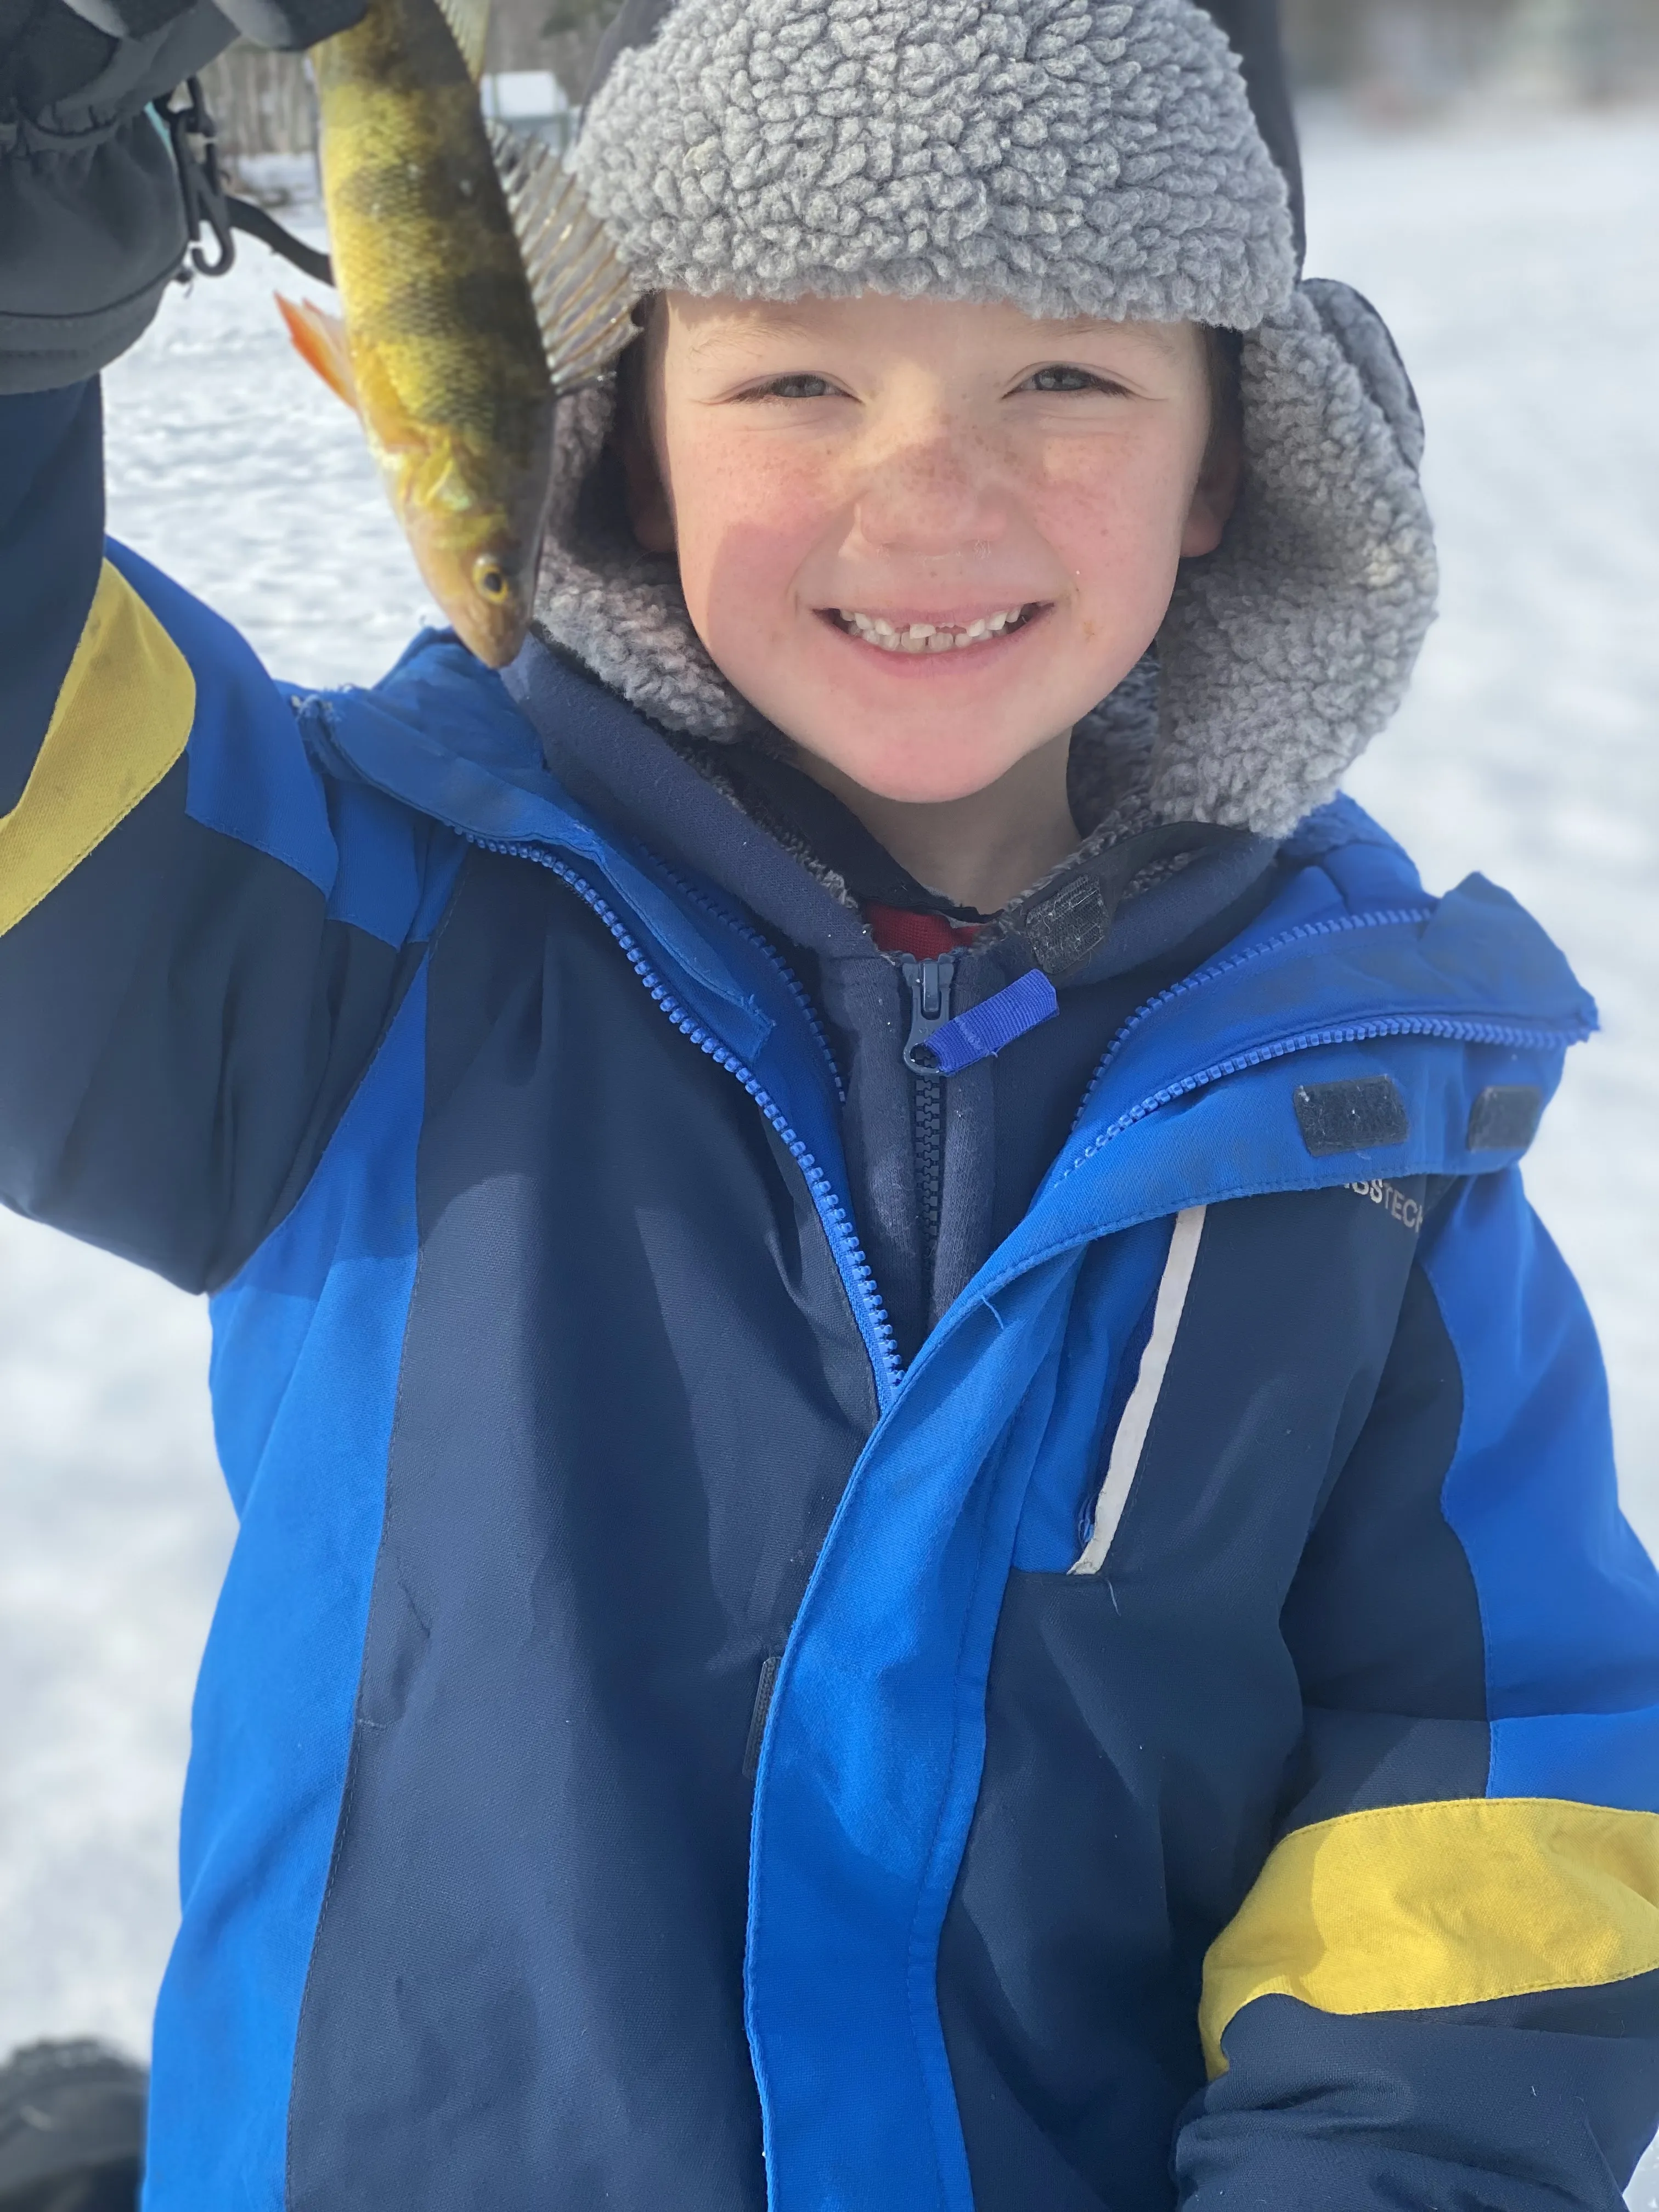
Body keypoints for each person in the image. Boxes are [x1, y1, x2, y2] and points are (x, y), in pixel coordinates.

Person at [3, 0, 1657, 2205]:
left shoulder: (1368, 1131)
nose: (932, 489)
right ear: (621, 434)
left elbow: (1492, 1793)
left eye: (1066, 375)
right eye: (795, 378)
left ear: (1228, 454)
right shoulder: (371, 930)